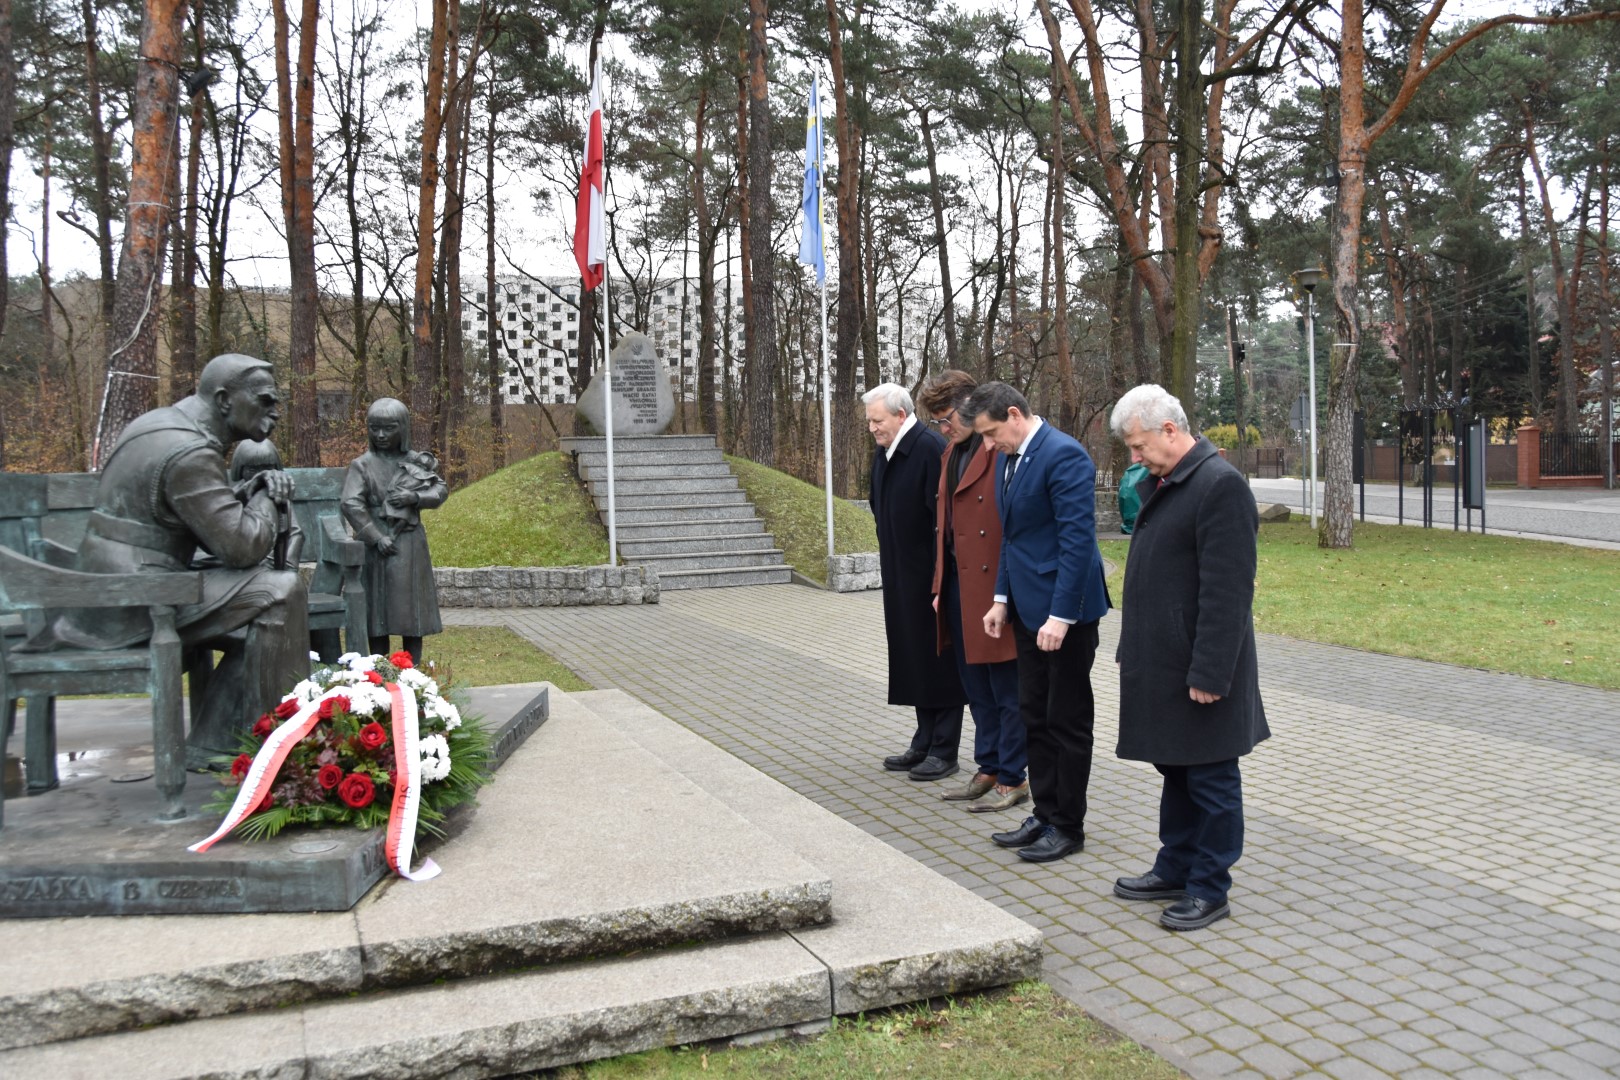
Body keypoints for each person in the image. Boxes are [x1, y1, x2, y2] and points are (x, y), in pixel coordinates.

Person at [26, 353, 310, 768]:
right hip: (131, 602)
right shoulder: (190, 452)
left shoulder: (157, 424)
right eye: (266, 401)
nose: (276, 412)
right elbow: (241, 547)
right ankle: (277, 755)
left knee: (256, 619)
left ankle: (212, 744)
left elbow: (196, 514)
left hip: (111, 589)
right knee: (280, 591)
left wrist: (247, 490)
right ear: (224, 399)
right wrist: (270, 495)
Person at [1109, 384, 1269, 931]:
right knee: (1175, 770)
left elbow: (1228, 593)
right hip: (1165, 662)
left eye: (1138, 446)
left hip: (1201, 670)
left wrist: (1210, 671)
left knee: (1210, 778)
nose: (1134, 457)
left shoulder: (1220, 486)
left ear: (1170, 431)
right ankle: (1174, 866)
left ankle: (1209, 887)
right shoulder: (1171, 480)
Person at [963, 382, 1110, 863]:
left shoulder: (1063, 456)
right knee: (1034, 715)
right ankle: (1044, 814)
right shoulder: (1011, 458)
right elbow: (1013, 539)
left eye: (989, 434)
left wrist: (1061, 616)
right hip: (1027, 611)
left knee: (1065, 721)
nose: (987, 446)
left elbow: (1077, 544)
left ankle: (1068, 825)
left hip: (1063, 617)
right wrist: (1000, 599)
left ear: (1013, 414)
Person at [916, 370, 1027, 813]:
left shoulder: (998, 449)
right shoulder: (949, 454)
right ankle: (988, 766)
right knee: (974, 684)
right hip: (959, 585)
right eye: (938, 422)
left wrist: (1005, 593)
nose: (944, 428)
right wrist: (941, 584)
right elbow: (944, 525)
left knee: (1005, 687)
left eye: (947, 418)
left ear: (970, 406)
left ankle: (1014, 775)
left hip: (994, 584)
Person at [865, 383, 966, 782]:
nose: (872, 428)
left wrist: (940, 580)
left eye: (878, 420)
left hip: (929, 578)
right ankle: (924, 739)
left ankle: (945, 748)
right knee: (913, 658)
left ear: (901, 416)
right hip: (900, 574)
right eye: (870, 422)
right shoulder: (886, 451)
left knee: (938, 660)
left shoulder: (926, 449)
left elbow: (942, 520)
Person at [341, 398, 449, 666]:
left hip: (409, 544)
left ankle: (412, 673)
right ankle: (379, 673)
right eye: (374, 428)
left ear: (402, 429)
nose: (380, 435)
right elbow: (351, 503)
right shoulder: (362, 465)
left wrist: (415, 497)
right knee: (378, 616)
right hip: (376, 546)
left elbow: (440, 489)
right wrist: (376, 537)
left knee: (412, 615)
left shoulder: (416, 462)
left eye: (388, 428)